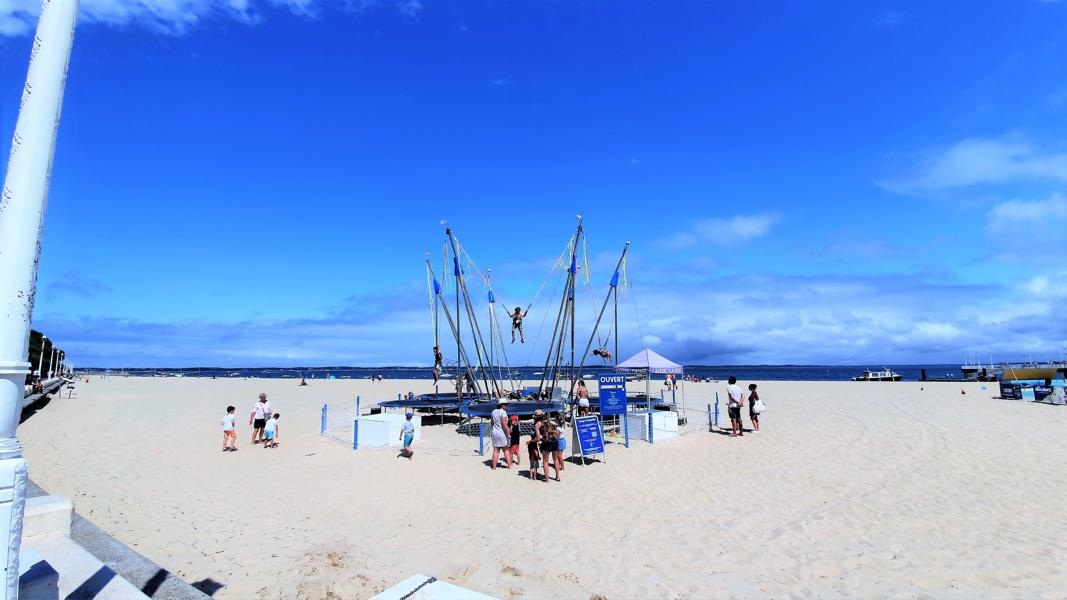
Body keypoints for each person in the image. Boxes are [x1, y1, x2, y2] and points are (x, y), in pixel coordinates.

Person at [490, 400, 511, 470]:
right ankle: (509, 466)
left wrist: (494, 429)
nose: (506, 406)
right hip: (502, 433)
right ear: (502, 405)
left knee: (496, 450)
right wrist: (508, 434)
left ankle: (494, 467)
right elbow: (504, 424)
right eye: (505, 404)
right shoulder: (503, 412)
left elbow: (492, 423)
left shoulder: (493, 411)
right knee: (506, 450)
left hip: (495, 432)